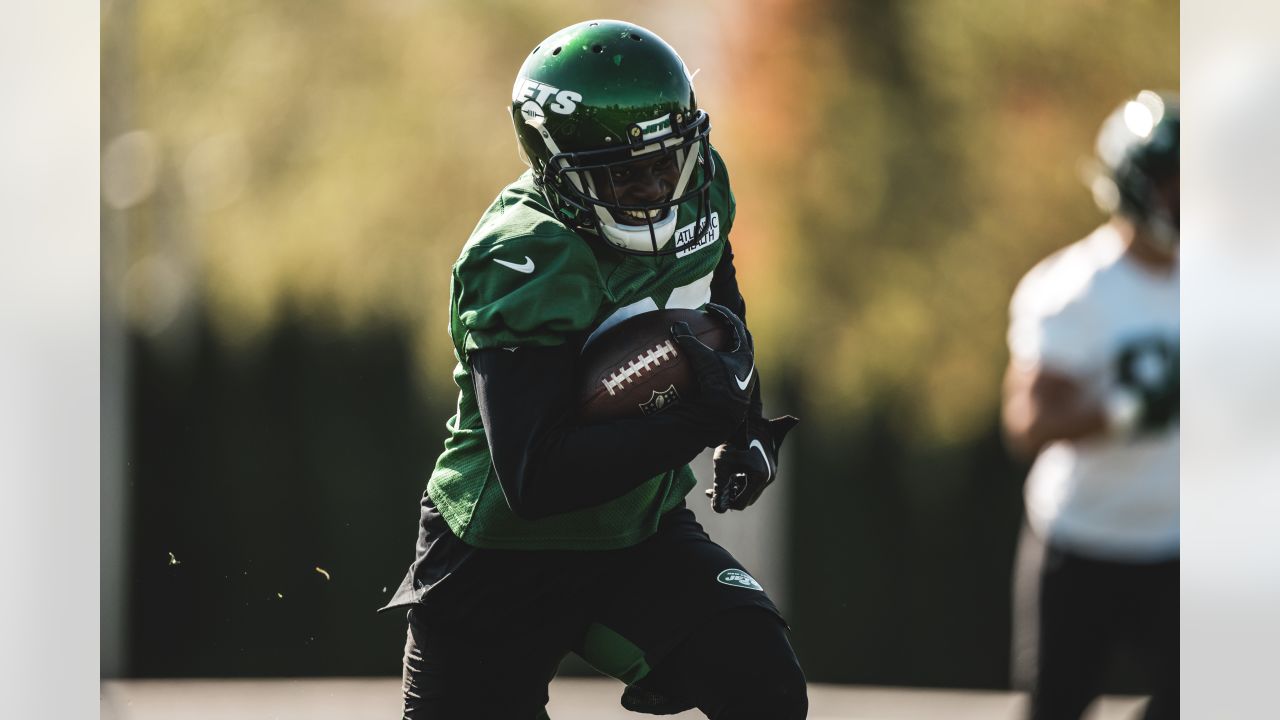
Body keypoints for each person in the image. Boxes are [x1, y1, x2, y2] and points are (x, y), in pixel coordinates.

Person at [380, 19, 806, 719]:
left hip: (637, 529)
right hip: (496, 558)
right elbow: (535, 477)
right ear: (556, 165)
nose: (653, 187)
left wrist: (746, 415)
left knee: (765, 685)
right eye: (622, 171)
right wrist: (706, 415)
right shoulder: (526, 252)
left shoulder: (699, 187)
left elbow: (713, 292)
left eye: (664, 163)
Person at [1001, 90, 1180, 720]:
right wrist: (1127, 411)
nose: (1186, 202)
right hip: (1083, 541)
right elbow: (1027, 423)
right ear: (1134, 186)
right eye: (1172, 185)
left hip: (1184, 543)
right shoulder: (1073, 289)